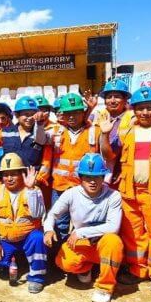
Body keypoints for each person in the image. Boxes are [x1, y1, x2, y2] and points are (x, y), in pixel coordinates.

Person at [101, 87, 151, 294]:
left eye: (149, 108)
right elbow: (109, 156)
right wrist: (105, 135)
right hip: (129, 191)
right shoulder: (126, 133)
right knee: (133, 234)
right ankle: (137, 269)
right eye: (140, 108)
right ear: (134, 110)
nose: (144, 113)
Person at [44, 153, 123, 302]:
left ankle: (104, 287)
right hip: (83, 244)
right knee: (63, 262)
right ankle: (86, 268)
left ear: (103, 177)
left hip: (102, 245)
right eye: (87, 177)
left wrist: (80, 231)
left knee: (114, 241)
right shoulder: (71, 194)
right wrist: (48, 229)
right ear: (80, 177)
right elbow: (52, 214)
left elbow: (113, 227)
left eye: (97, 177)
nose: (92, 182)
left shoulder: (113, 196)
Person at [0, 152, 47, 293]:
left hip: (28, 238)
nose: (9, 178)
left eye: (14, 174)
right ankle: (19, 261)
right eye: (6, 175)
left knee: (38, 238)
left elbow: (38, 214)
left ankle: (37, 277)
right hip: (7, 239)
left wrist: (30, 190)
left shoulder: (35, 190)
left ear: (22, 174)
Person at [39, 93, 99, 238]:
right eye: (68, 113)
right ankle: (60, 255)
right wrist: (40, 125)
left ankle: (82, 256)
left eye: (76, 112)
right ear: (62, 114)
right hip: (60, 187)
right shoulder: (56, 131)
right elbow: (41, 140)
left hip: (84, 188)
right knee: (60, 225)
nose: (71, 117)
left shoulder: (93, 131)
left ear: (83, 112)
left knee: (85, 223)